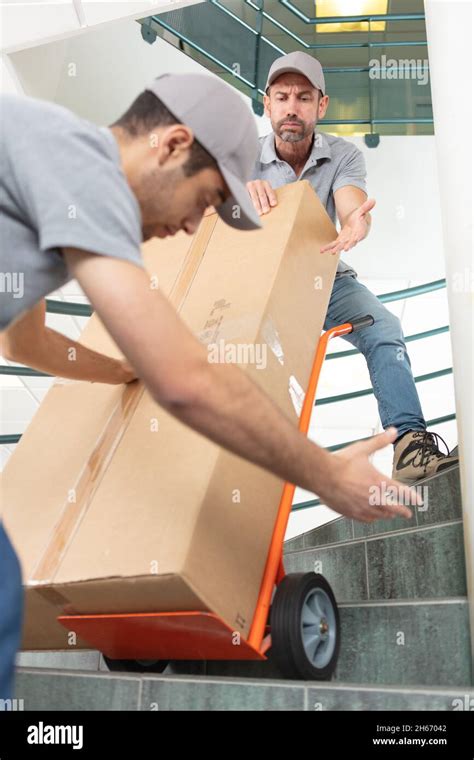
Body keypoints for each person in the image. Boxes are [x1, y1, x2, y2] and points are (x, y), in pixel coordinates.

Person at [0, 72, 420, 700]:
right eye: (205, 199)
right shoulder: (86, 179)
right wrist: (329, 477)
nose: (197, 225)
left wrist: (117, 369)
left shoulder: (48, 163)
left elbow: (22, 342)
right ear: (171, 145)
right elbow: (187, 382)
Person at [247, 51, 459, 484]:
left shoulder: (343, 156)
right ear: (266, 104)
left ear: (321, 106)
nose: (292, 107)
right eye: (282, 96)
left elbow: (350, 205)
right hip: (259, 287)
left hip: (326, 278)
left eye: (304, 97)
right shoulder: (240, 161)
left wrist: (355, 222)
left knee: (383, 328)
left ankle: (410, 448)